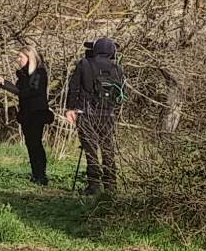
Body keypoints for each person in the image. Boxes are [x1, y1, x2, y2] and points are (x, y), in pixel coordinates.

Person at [65, 37, 126, 194]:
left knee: (90, 149)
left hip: (86, 114)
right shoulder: (118, 68)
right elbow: (121, 93)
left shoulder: (85, 64)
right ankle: (111, 185)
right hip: (108, 115)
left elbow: (74, 88)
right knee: (108, 149)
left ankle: (94, 186)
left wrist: (70, 108)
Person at [13, 46, 52, 186]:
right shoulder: (22, 74)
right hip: (26, 114)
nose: (18, 60)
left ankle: (41, 174)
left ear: (29, 58)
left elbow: (29, 92)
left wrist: (6, 85)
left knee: (36, 143)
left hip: (36, 114)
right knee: (30, 144)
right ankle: (35, 173)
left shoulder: (39, 73)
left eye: (20, 57)